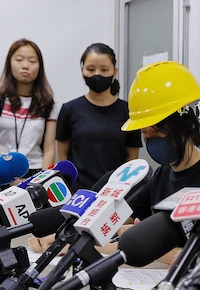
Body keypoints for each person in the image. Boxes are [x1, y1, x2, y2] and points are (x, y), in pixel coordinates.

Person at [121, 61, 200, 218]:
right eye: (144, 133)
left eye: (156, 132)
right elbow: (125, 218)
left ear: (187, 123)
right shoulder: (161, 176)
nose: (149, 140)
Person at [55, 43, 141, 191]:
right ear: (82, 70)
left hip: (115, 193)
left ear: (114, 72)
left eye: (104, 69)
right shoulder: (69, 109)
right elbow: (63, 158)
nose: (97, 74)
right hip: (78, 193)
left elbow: (132, 159)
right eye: (90, 69)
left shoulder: (128, 111)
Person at [0, 39, 59, 181]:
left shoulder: (47, 103)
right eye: (19, 60)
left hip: (35, 172)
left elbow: (49, 149)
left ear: (40, 66)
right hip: (1, 171)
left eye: (32, 61)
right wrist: (11, 178)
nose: (25, 66)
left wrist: (42, 180)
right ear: (9, 63)